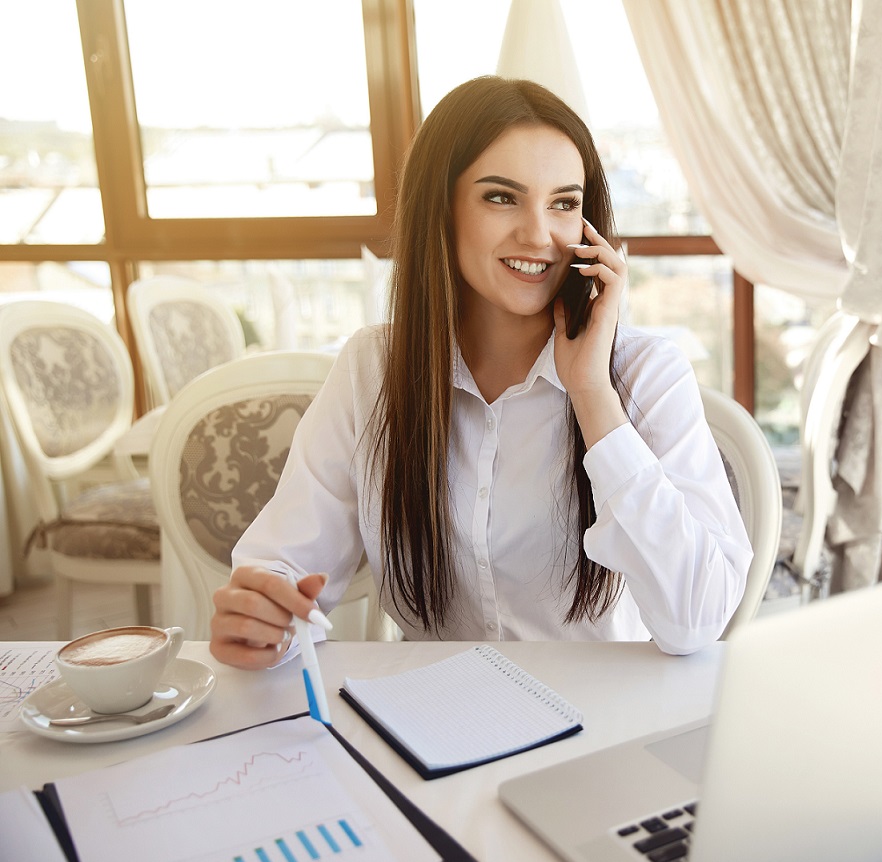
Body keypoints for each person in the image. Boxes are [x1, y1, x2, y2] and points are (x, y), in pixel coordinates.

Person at [209, 76, 752, 669]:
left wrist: (593, 395)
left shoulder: (646, 373)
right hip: (434, 727)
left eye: (564, 204)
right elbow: (284, 564)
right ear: (441, 209)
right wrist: (266, 615)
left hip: (601, 725)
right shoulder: (374, 369)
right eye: (502, 197)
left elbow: (697, 621)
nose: (539, 234)